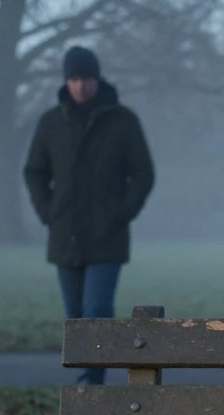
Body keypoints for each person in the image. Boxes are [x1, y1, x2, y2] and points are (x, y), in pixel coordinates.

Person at [23, 46, 155, 384]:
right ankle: (87, 376)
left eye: (87, 78)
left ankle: (94, 378)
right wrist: (48, 211)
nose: (81, 85)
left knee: (97, 309)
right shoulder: (51, 123)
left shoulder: (123, 121)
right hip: (64, 234)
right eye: (74, 78)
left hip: (106, 235)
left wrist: (121, 212)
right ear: (67, 81)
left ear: (98, 79)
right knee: (77, 318)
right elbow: (34, 172)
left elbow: (143, 173)